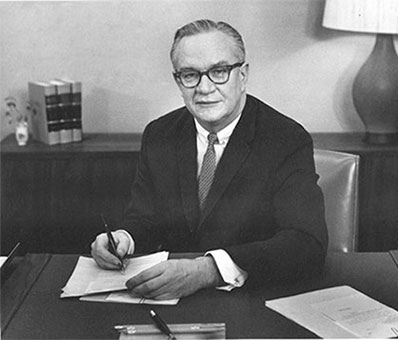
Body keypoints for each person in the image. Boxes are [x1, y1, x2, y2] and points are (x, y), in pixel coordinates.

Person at [91, 19, 328, 300]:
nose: (204, 88)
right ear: (178, 81)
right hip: (168, 298)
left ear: (243, 75)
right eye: (190, 75)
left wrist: (208, 271)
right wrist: (123, 238)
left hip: (251, 298)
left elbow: (307, 243)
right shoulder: (160, 134)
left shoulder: (285, 139)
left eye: (219, 71)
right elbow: (144, 217)